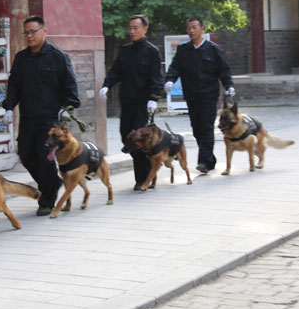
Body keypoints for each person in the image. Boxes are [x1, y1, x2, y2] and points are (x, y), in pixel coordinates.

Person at [2, 15, 81, 216]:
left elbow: (70, 84)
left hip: (49, 118)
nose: (29, 36)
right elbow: (14, 86)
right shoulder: (21, 58)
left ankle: (47, 200)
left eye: (33, 32)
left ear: (44, 32)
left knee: (45, 158)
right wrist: (9, 107)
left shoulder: (57, 57)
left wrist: (68, 106)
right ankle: (52, 183)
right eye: (26, 32)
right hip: (28, 117)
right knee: (26, 155)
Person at [99, 15, 165, 190]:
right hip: (127, 102)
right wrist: (106, 85)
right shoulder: (125, 51)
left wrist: (153, 98)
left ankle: (143, 179)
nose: (132, 31)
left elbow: (157, 77)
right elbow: (116, 71)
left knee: (138, 138)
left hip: (144, 103)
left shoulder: (152, 52)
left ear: (145, 29)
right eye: (130, 28)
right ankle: (149, 172)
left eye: (136, 28)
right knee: (125, 136)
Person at [164, 17, 235, 174]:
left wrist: (229, 85)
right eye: (189, 28)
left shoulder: (213, 49)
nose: (191, 31)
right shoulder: (183, 50)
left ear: (202, 29)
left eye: (194, 27)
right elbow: (175, 67)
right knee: (196, 129)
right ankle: (210, 160)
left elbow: (224, 70)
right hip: (191, 96)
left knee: (206, 127)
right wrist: (170, 80)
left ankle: (203, 161)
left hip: (209, 96)